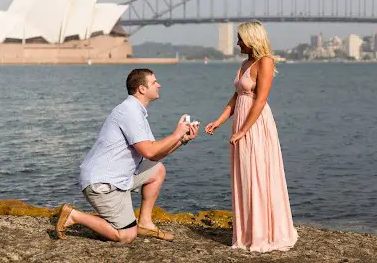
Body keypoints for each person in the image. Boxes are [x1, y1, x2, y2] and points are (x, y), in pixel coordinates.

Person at [56, 68, 200, 243]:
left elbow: (154, 156)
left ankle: (145, 222)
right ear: (142, 89)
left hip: (119, 178)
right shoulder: (129, 112)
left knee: (157, 170)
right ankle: (74, 215)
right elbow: (150, 151)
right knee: (127, 235)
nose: (159, 85)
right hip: (103, 184)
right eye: (154, 82)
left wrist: (182, 139)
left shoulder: (136, 111)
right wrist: (176, 134)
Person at [205, 20, 298, 252]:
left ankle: (265, 233)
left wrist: (244, 130)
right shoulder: (245, 63)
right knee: (245, 175)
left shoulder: (265, 62)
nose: (237, 42)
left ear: (251, 39)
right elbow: (237, 97)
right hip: (241, 120)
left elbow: (261, 99)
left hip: (256, 124)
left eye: (240, 38)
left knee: (258, 173)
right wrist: (218, 121)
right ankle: (247, 233)